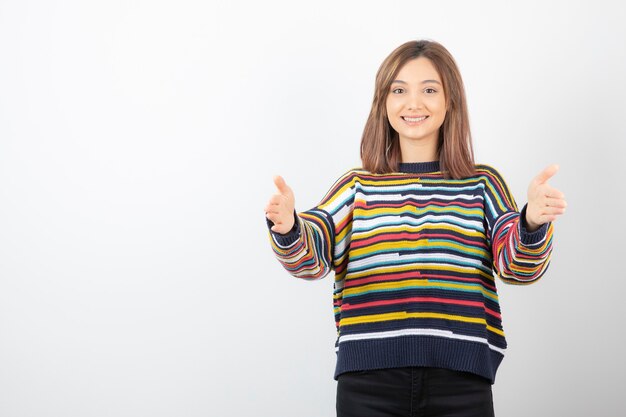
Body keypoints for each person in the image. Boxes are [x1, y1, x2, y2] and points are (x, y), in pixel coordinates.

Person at [264, 40, 566, 417]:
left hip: (461, 382)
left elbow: (517, 267)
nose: (413, 103)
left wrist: (531, 221)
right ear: (383, 102)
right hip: (367, 383)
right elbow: (312, 257)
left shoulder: (481, 184)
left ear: (450, 100)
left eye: (429, 90)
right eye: (399, 90)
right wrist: (290, 226)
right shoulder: (358, 185)